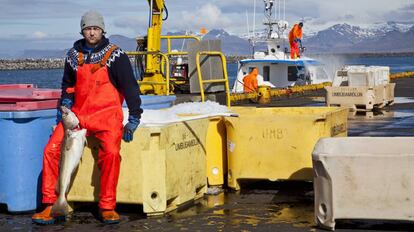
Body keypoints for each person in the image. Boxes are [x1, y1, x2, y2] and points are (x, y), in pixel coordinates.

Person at [32, 10, 143, 225]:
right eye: (88, 28)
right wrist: (65, 102)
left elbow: (131, 88)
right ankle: (50, 204)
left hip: (107, 116)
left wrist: (135, 117)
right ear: (82, 30)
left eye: (95, 28)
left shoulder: (116, 55)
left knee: (111, 153)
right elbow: (67, 85)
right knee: (51, 150)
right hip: (78, 116)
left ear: (102, 30)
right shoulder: (73, 55)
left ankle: (107, 206)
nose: (92, 32)